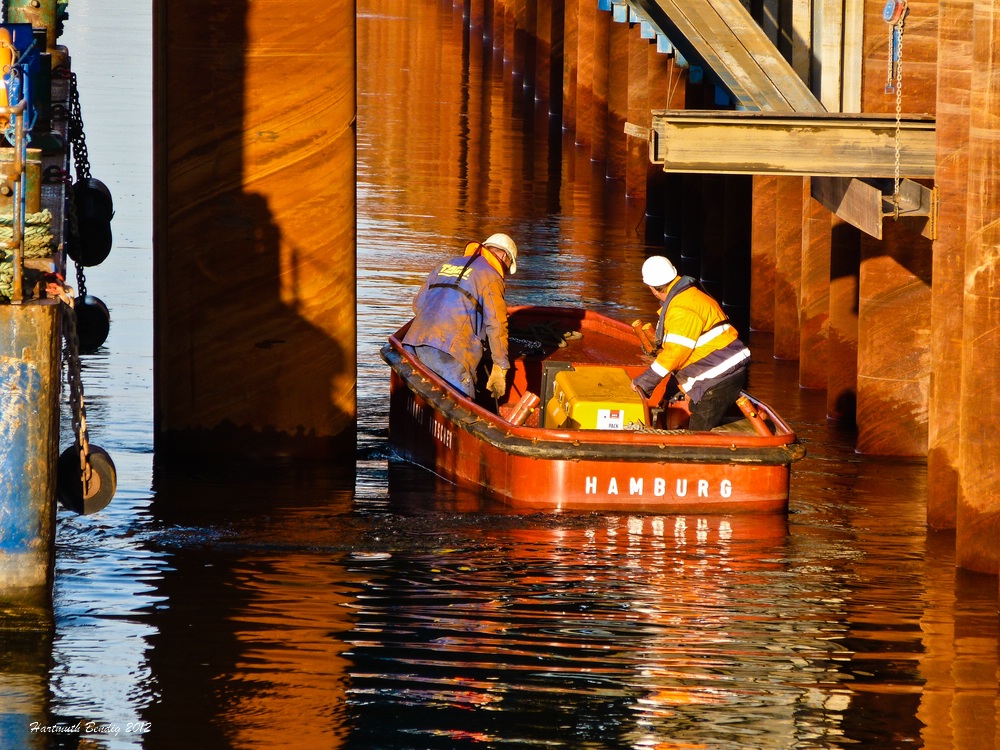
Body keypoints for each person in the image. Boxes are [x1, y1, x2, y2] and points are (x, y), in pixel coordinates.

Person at [631, 255, 751, 431]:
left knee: (698, 434)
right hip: (722, 372)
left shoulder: (682, 309)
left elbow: (675, 354)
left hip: (719, 377)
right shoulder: (689, 297)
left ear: (652, 288)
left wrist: (645, 381)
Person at [403, 233, 519, 400]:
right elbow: (497, 325)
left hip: (412, 343)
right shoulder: (491, 276)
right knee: (461, 404)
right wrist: (500, 367)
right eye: (508, 268)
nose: (505, 274)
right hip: (451, 352)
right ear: (503, 256)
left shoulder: (446, 264)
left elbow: (418, 305)